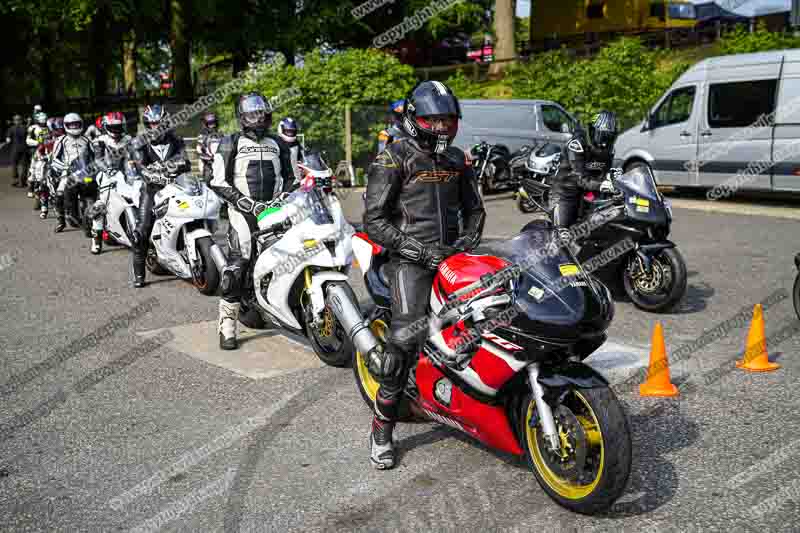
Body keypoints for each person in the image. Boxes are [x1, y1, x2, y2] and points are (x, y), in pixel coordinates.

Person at [363, 80, 486, 469]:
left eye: (449, 120)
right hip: (409, 260)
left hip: (454, 256)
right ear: (416, 120)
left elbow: (476, 211)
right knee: (405, 335)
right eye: (434, 120)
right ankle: (382, 428)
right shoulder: (393, 158)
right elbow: (374, 221)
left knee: (495, 311)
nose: (442, 128)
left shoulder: (456, 160)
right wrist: (418, 251)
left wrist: (465, 244)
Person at [210, 92, 295, 350]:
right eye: (251, 113)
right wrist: (244, 202)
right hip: (242, 211)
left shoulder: (279, 143)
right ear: (242, 117)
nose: (257, 118)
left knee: (294, 251)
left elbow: (292, 178)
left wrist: (283, 198)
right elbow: (217, 181)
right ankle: (227, 325)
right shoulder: (230, 142)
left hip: (274, 209)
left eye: (261, 113)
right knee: (238, 264)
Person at [129, 104, 191, 287]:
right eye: (152, 124)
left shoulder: (176, 138)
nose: (156, 127)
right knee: (141, 231)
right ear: (147, 124)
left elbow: (185, 161)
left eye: (160, 123)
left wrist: (180, 165)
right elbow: (140, 166)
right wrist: (149, 173)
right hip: (152, 189)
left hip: (176, 185)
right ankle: (139, 275)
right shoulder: (139, 142)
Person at [549, 110, 619, 238]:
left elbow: (606, 172)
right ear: (593, 131)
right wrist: (601, 184)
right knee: (563, 236)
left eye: (609, 137)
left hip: (589, 192)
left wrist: (614, 178)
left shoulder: (609, 149)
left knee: (605, 224)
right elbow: (579, 178)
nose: (605, 142)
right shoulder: (577, 145)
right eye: (603, 136)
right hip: (565, 192)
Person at [89, 111, 133, 254]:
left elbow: (136, 156)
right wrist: (107, 170)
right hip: (106, 173)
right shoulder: (99, 140)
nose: (116, 130)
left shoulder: (129, 139)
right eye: (113, 127)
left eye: (119, 126)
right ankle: (96, 239)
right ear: (106, 126)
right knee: (102, 203)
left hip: (127, 173)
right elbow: (97, 159)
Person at [50, 112, 94, 233]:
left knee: (96, 190)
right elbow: (54, 159)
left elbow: (95, 155)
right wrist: (64, 167)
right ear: (66, 125)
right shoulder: (61, 140)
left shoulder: (87, 139)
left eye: (76, 124)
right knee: (59, 194)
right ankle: (61, 221)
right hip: (67, 171)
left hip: (85, 171)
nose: (74, 127)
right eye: (71, 125)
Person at [38, 117, 65, 220]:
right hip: (50, 164)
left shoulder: (68, 136)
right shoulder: (45, 137)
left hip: (66, 164)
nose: (60, 130)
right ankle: (44, 207)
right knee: (43, 184)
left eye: (61, 128)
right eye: (57, 128)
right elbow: (40, 150)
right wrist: (42, 157)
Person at [25, 112, 49, 193]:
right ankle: (31, 188)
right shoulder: (33, 128)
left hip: (49, 151)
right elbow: (28, 140)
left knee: (46, 170)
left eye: (44, 121)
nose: (43, 123)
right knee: (34, 169)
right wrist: (38, 143)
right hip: (37, 151)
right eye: (42, 121)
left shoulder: (50, 127)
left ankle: (43, 188)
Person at [5, 115, 29, 187]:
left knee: (14, 164)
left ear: (14, 121)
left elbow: (8, 140)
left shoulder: (11, 129)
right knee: (24, 165)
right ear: (21, 120)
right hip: (24, 148)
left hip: (15, 148)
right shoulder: (25, 128)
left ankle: (15, 179)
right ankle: (23, 180)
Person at [277, 117, 303, 185]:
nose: (290, 133)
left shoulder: (296, 143)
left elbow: (301, 158)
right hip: (280, 181)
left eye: (292, 131)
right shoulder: (276, 143)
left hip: (295, 180)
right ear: (281, 129)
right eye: (288, 131)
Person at [196, 112, 221, 181]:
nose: (212, 125)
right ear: (206, 124)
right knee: (209, 174)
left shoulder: (221, 134)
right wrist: (209, 158)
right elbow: (198, 150)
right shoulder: (202, 135)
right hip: (208, 162)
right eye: (210, 123)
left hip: (221, 160)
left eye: (213, 123)